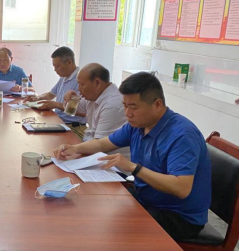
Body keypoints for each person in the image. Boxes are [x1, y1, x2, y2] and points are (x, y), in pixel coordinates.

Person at [54, 72, 211, 241]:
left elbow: (181, 188)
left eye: (134, 107)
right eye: (125, 106)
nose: (127, 113)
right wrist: (74, 148)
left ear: (157, 104)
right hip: (147, 198)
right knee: (93, 208)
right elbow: (103, 144)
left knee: (112, 232)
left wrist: (133, 168)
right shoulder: (138, 125)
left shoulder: (181, 135)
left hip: (177, 215)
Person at [24, 47, 86, 130]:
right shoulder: (64, 77)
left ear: (69, 62)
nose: (55, 70)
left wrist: (55, 105)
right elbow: (50, 95)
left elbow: (83, 111)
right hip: (59, 122)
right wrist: (37, 98)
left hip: (73, 126)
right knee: (29, 126)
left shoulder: (80, 79)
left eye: (57, 66)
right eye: (54, 66)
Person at [62, 63, 126, 141]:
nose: (78, 89)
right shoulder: (94, 96)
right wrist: (71, 99)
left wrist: (71, 147)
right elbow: (72, 110)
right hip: (90, 143)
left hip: (100, 147)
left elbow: (100, 144)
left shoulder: (111, 105)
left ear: (97, 83)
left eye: (81, 85)